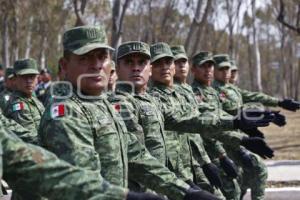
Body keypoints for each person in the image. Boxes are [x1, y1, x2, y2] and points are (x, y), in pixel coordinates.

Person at [38, 25, 217, 200]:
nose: (96, 65)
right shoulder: (66, 112)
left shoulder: (100, 103)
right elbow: (84, 186)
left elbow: (135, 154)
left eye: (102, 57)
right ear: (64, 65)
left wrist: (186, 191)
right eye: (85, 58)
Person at [109, 41, 222, 199]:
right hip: (140, 191)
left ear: (149, 68)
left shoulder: (150, 100)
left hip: (162, 186)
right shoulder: (120, 104)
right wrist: (185, 189)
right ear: (117, 68)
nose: (136, 68)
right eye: (128, 62)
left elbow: (187, 122)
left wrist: (237, 122)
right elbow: (135, 156)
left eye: (142, 62)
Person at [212, 54, 275, 200]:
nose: (227, 72)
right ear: (215, 70)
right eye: (222, 69)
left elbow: (252, 99)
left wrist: (276, 106)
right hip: (225, 144)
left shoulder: (231, 89)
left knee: (245, 177)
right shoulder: (215, 91)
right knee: (250, 173)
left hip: (238, 140)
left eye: (228, 69)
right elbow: (220, 121)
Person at [3, 58, 44, 144]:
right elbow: (32, 138)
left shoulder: (33, 99)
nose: (29, 81)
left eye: (32, 77)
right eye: (24, 77)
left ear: (37, 79)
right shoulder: (18, 104)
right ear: (15, 79)